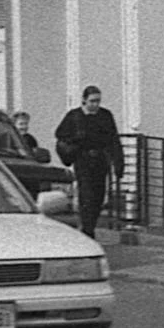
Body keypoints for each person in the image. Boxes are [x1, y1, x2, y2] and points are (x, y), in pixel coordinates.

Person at [54, 85, 126, 238]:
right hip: (83, 159)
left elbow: (113, 140)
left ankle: (90, 224)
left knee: (99, 196)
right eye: (92, 101)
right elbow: (60, 134)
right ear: (84, 101)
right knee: (87, 195)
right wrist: (76, 140)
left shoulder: (105, 116)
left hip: (100, 159)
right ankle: (87, 229)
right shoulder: (74, 116)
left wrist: (118, 163)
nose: (95, 105)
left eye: (98, 101)